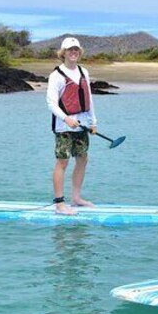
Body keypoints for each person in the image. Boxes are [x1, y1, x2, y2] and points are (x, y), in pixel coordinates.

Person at [46, 37, 97, 215]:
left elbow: (89, 98)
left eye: (76, 49)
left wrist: (93, 122)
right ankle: (60, 204)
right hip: (63, 127)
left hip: (81, 125)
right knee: (63, 161)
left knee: (83, 158)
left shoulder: (84, 71)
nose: (73, 52)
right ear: (63, 53)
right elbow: (51, 103)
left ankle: (76, 198)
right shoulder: (56, 76)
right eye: (70, 50)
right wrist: (66, 119)